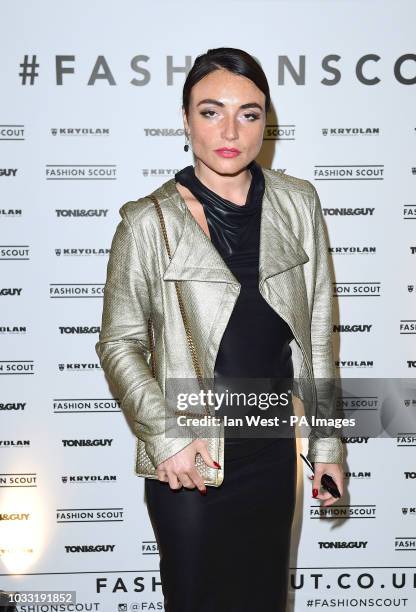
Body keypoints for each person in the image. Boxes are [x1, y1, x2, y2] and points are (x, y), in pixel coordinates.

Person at [96, 47, 344, 612]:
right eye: (211, 112)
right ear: (185, 120)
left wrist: (327, 445)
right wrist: (166, 437)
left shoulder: (298, 203)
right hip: (190, 461)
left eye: (249, 113)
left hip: (272, 453)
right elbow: (120, 343)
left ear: (266, 122)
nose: (231, 130)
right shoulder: (147, 221)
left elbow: (318, 339)